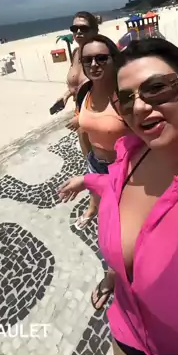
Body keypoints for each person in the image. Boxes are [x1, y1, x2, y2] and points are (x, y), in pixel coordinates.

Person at [59, 37, 178, 355]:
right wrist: (88, 180)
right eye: (126, 99)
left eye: (156, 88)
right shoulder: (134, 152)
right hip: (125, 331)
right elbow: (117, 188)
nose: (138, 107)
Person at [73, 34, 127, 310]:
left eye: (101, 58)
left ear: (113, 59)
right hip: (95, 164)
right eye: (87, 60)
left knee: (116, 231)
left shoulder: (125, 95)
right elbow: (84, 128)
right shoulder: (85, 92)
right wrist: (88, 160)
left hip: (124, 172)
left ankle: (113, 276)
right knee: (107, 228)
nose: (94, 64)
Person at [50, 12, 99, 128]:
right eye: (74, 28)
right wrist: (65, 96)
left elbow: (107, 92)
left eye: (83, 28)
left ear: (94, 31)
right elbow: (79, 85)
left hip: (96, 116)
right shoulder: (76, 53)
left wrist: (84, 117)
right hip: (79, 112)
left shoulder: (99, 55)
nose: (78, 32)